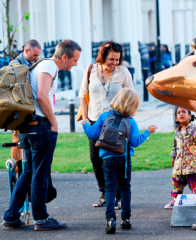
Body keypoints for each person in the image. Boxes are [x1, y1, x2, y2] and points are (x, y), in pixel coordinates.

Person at [2, 39, 82, 230]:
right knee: (40, 174)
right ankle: (41, 218)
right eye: (74, 60)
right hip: (40, 127)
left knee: (29, 171)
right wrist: (53, 122)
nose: (75, 64)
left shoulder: (40, 65)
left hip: (27, 127)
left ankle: (11, 216)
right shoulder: (49, 66)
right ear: (64, 57)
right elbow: (42, 96)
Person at [81, 88, 158, 234]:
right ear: (133, 106)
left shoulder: (104, 116)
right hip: (124, 159)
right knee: (125, 188)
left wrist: (85, 123)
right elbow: (135, 142)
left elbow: (92, 134)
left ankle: (110, 219)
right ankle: (126, 219)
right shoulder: (130, 122)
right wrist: (148, 132)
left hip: (107, 159)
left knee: (110, 188)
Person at [79, 41, 134, 209]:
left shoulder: (123, 72)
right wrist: (86, 118)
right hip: (96, 120)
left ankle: (117, 195)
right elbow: (83, 95)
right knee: (96, 158)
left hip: (116, 122)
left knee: (116, 158)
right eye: (111, 59)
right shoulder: (91, 70)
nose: (115, 63)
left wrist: (127, 120)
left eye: (117, 59)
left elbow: (131, 97)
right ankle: (105, 192)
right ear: (103, 56)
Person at [10, 39, 42, 173]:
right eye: (34, 55)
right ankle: (17, 170)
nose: (36, 58)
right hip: (20, 110)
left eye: (38, 55)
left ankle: (27, 172)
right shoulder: (15, 64)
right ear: (26, 50)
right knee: (18, 142)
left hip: (32, 109)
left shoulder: (34, 62)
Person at [164, 107, 196, 209]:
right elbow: (175, 146)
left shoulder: (194, 129)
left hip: (193, 164)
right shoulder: (177, 131)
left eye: (184, 112)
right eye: (178, 113)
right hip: (180, 164)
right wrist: (173, 158)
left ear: (190, 116)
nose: (181, 114)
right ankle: (176, 199)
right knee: (177, 181)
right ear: (177, 118)